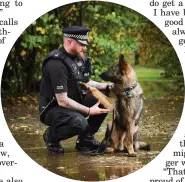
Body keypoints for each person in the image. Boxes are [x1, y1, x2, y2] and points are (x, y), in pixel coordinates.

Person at [39, 25, 110, 154]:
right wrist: (89, 110)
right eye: (82, 44)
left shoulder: (76, 57)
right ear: (69, 41)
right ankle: (51, 136)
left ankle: (85, 140)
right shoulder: (56, 64)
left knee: (104, 98)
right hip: (53, 108)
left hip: (72, 100)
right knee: (79, 122)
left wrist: (108, 86)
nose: (85, 47)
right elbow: (62, 101)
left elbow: (86, 82)